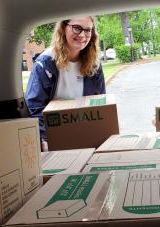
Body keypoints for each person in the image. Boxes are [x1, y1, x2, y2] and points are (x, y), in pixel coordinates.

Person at [25, 17, 105, 145]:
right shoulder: (45, 63)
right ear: (63, 28)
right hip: (54, 137)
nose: (83, 35)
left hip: (87, 134)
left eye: (88, 30)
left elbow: (101, 104)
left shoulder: (94, 64)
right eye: (77, 28)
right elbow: (35, 108)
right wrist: (47, 140)